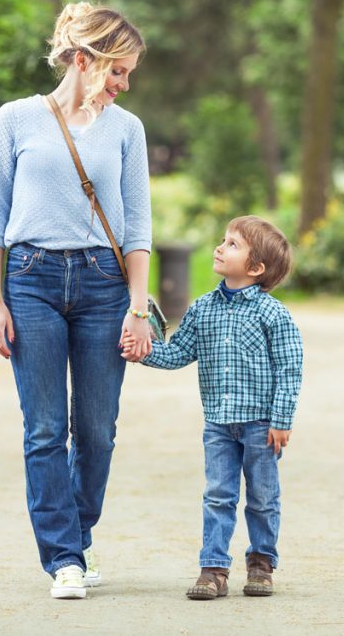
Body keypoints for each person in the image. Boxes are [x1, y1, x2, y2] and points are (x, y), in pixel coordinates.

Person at [0, 2, 152, 600]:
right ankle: (64, 560)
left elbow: (137, 229)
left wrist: (137, 305)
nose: (124, 85)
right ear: (84, 59)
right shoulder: (16, 119)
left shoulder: (127, 129)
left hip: (104, 284)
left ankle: (77, 533)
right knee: (46, 427)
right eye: (117, 71)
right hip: (30, 281)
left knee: (97, 430)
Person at [121, 215, 303, 600]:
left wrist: (282, 420)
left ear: (256, 268)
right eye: (224, 240)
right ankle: (214, 569)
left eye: (233, 244)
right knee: (218, 494)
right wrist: (144, 350)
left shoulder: (274, 314)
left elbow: (290, 368)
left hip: (261, 425)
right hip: (218, 425)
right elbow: (177, 354)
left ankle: (262, 564)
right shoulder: (202, 309)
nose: (220, 247)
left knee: (263, 498)